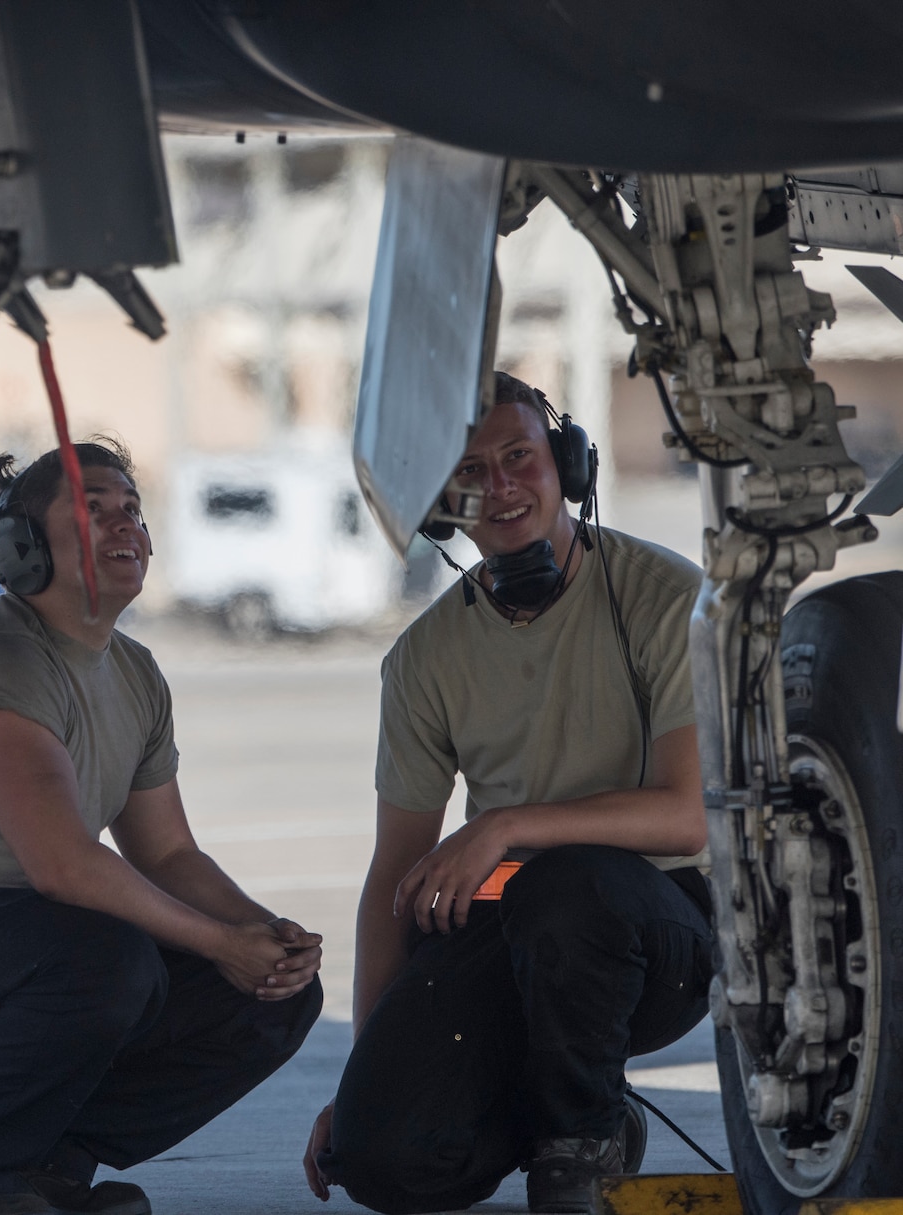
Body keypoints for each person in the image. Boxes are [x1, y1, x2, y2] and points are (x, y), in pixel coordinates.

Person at [0, 439, 324, 1215]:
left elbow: (169, 852)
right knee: (106, 959)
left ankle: (46, 1162)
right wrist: (217, 941)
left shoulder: (136, 672)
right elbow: (63, 865)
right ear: (22, 549)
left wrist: (261, 936)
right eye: (94, 511)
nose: (125, 526)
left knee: (270, 997)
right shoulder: (3, 662)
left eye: (133, 510)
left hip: (17, 949)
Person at [301, 373, 714, 1215]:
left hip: (662, 929)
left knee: (567, 883)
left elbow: (689, 810)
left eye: (519, 456)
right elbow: (396, 875)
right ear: (442, 501)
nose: (500, 487)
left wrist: (508, 826)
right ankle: (549, 1112)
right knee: (378, 1159)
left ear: (567, 465)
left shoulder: (667, 597)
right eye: (470, 473)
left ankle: (582, 1141)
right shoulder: (422, 660)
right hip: (517, 926)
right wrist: (368, 1068)